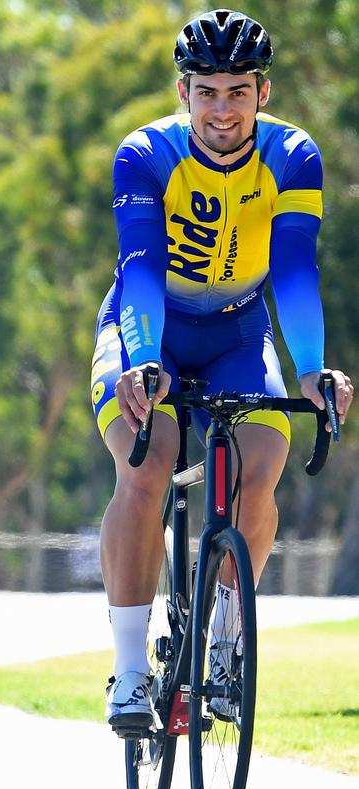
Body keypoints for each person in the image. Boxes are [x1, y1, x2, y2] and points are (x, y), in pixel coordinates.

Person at [91, 8, 354, 735]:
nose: (222, 109)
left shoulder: (295, 155)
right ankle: (132, 670)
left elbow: (295, 271)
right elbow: (141, 268)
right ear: (184, 94)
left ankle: (225, 644)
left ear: (262, 94)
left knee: (262, 460)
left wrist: (310, 369)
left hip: (240, 329)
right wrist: (143, 360)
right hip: (150, 328)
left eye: (237, 91)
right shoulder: (144, 153)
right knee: (151, 468)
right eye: (207, 91)